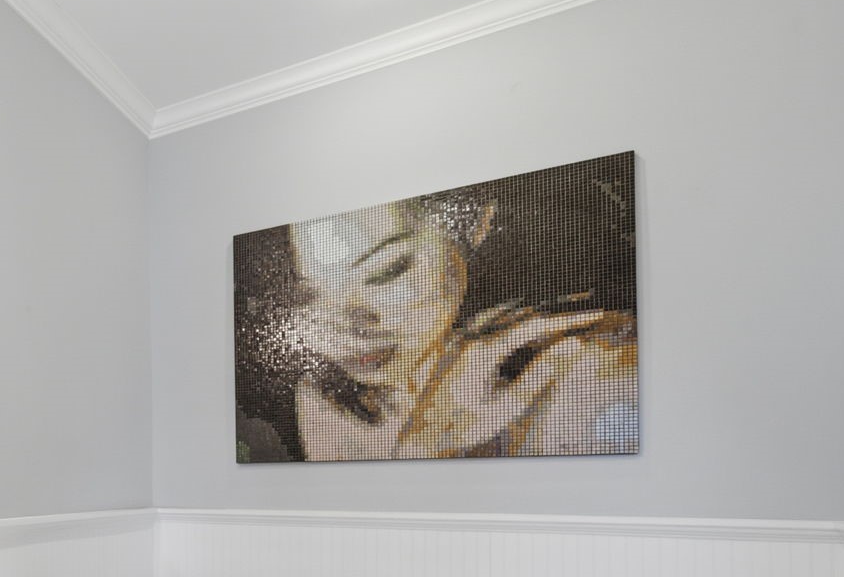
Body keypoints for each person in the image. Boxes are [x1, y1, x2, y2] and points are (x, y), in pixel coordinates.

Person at [234, 152, 638, 462]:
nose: (348, 325)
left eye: (387, 271)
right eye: (313, 294)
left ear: (474, 223)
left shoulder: (591, 364)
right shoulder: (328, 398)